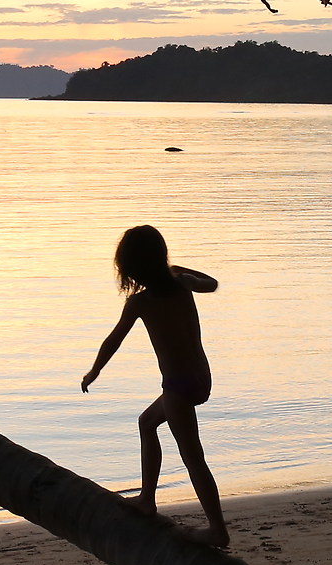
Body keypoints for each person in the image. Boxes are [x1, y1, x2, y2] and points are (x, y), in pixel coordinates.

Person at [80, 225, 229, 548]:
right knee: (147, 423)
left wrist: (94, 371)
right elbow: (212, 283)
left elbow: (113, 340)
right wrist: (177, 269)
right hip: (200, 379)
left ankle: (217, 530)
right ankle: (147, 498)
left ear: (131, 268)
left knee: (193, 458)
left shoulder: (140, 303)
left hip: (177, 387)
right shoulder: (182, 283)